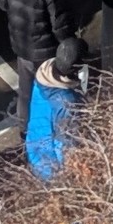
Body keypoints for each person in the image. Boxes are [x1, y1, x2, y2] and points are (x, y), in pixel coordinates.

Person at [23, 36, 90, 183]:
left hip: (34, 149)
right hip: (50, 168)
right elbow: (66, 145)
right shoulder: (66, 103)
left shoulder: (44, 75)